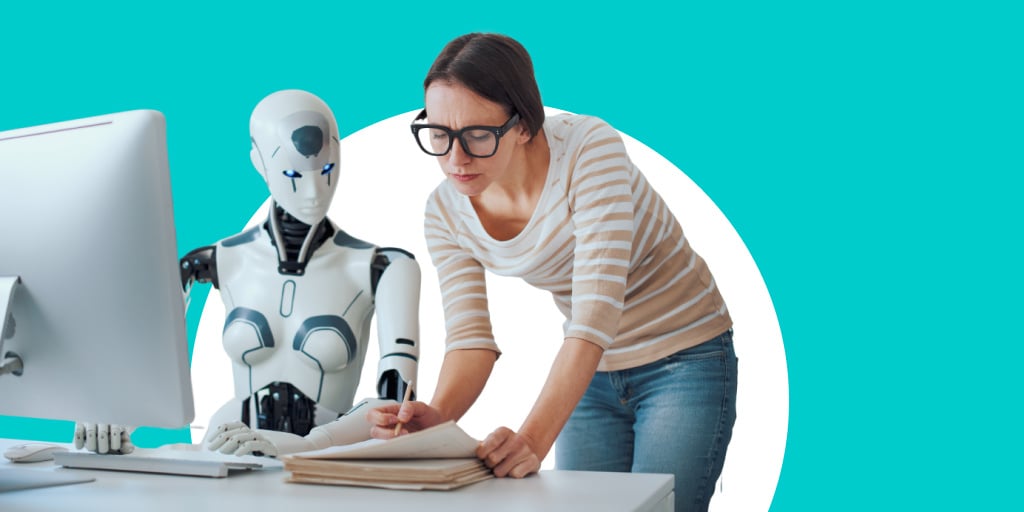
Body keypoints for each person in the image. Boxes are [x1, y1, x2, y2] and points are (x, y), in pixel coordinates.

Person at [365, 33, 737, 512]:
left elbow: (596, 310)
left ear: (522, 124)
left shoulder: (588, 147)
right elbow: (471, 340)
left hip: (684, 358)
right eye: (438, 134)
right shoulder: (445, 211)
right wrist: (436, 420)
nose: (455, 159)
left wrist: (532, 440)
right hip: (593, 375)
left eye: (477, 135)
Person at [75, 90, 422, 457]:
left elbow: (398, 409)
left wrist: (308, 445)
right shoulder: (213, 261)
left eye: (326, 170)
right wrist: (114, 417)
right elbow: (149, 364)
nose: (313, 191)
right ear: (259, 162)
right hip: (227, 450)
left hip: (321, 464)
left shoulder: (385, 267)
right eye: (292, 173)